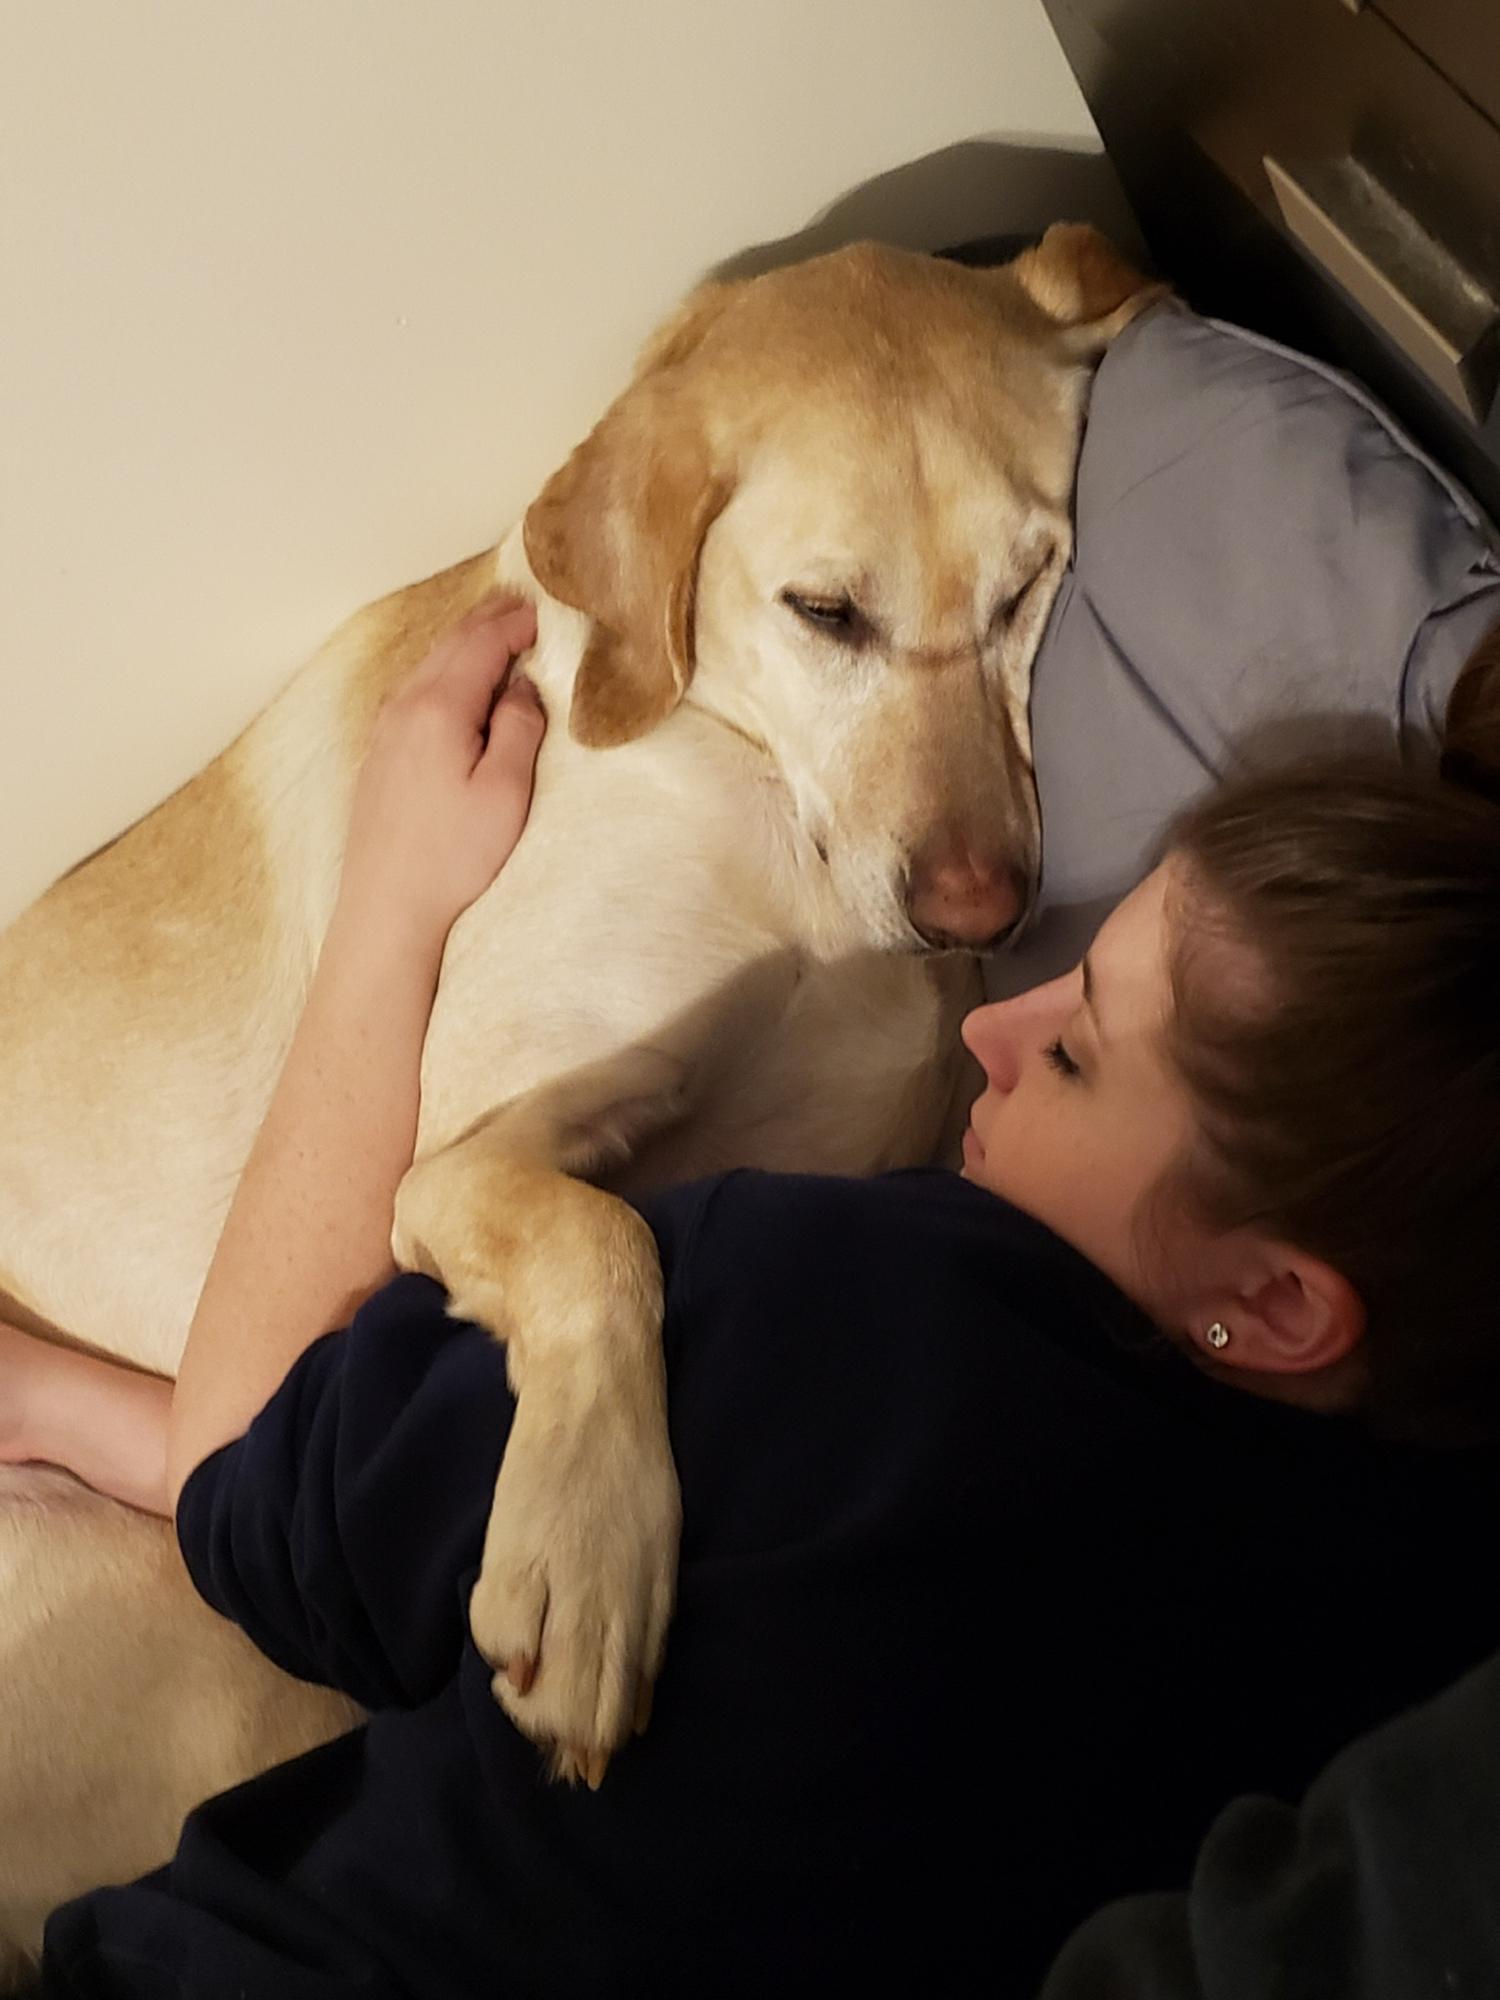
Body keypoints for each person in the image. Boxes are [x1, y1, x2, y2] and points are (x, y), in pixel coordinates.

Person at [5, 601, 1500, 1997]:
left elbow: (238, 1478)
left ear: (1280, 1303)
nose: (998, 1019)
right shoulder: (1421, 1641)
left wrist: (389, 902)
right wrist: (62, 1406)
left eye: (1078, 1054)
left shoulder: (846, 1328)